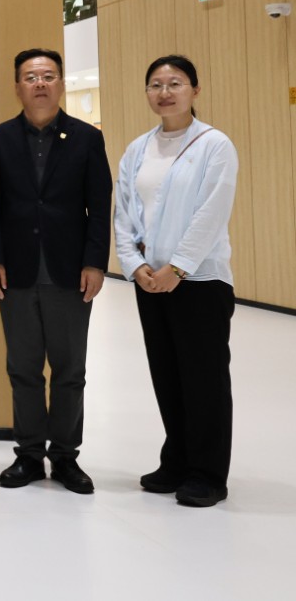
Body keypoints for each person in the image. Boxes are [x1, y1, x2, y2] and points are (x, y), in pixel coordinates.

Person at [0, 49, 111, 495]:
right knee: (23, 368)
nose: (40, 83)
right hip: (15, 272)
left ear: (60, 83)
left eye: (48, 75)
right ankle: (30, 455)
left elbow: (99, 207)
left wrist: (95, 262)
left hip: (70, 273)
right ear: (17, 86)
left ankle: (66, 456)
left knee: (70, 370)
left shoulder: (86, 138)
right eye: (31, 76)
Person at [114, 54, 238, 508]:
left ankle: (207, 473)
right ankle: (178, 460)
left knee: (203, 378)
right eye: (156, 85)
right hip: (150, 281)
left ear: (195, 90)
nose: (164, 92)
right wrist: (135, 266)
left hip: (200, 281)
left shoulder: (214, 145)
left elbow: (212, 212)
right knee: (167, 374)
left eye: (175, 83)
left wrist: (179, 267)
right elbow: (123, 212)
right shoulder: (138, 149)